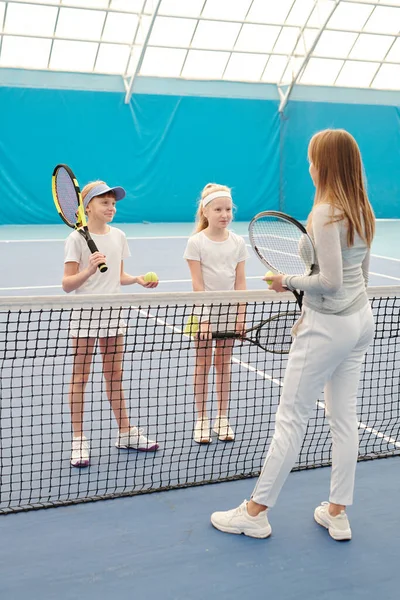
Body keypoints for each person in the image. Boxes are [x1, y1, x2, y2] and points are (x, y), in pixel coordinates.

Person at [211, 129, 375, 541]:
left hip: (328, 326)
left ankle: (255, 512)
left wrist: (287, 280)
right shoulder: (362, 207)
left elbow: (331, 281)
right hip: (361, 321)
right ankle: (337, 513)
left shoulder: (325, 212)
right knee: (344, 419)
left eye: (311, 158)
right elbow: (360, 277)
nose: (309, 165)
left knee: (290, 419)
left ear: (324, 164)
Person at [62, 180, 159, 467]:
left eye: (113, 203)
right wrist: (89, 269)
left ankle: (126, 433)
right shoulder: (76, 239)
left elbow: (117, 275)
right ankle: (79, 440)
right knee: (80, 378)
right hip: (85, 316)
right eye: (104, 202)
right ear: (87, 206)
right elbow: (67, 284)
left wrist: (137, 279)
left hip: (114, 316)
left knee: (114, 376)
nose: (111, 207)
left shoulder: (119, 236)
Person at [184, 183, 249, 444]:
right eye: (219, 209)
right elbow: (197, 286)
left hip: (230, 313)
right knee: (202, 365)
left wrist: (240, 315)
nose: (225, 214)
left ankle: (222, 418)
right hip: (203, 314)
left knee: (223, 365)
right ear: (205, 212)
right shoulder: (195, 243)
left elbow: (241, 282)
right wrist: (205, 319)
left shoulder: (238, 242)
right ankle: (202, 420)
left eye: (228, 209)